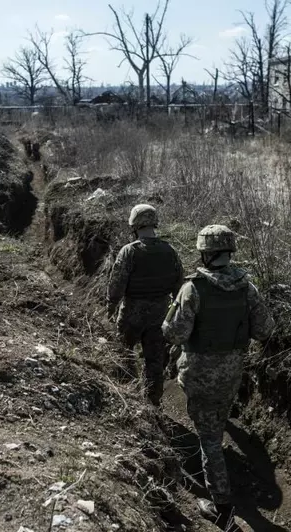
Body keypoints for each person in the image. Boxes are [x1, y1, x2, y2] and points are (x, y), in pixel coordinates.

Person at [162, 224, 275, 521]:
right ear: (229, 252)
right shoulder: (247, 288)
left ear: (204, 253)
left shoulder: (193, 289)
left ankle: (222, 507)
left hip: (199, 375)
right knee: (216, 421)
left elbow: (174, 334)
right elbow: (265, 330)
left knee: (209, 439)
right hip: (232, 373)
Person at [107, 204, 184, 406]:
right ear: (154, 223)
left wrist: (111, 306)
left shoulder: (129, 251)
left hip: (132, 312)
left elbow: (116, 284)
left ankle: (125, 396)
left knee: (124, 353)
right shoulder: (170, 251)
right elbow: (179, 287)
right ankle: (152, 402)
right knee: (155, 361)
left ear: (134, 225)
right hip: (160, 314)